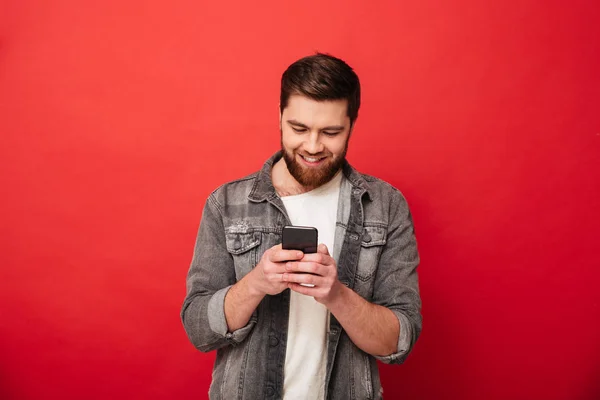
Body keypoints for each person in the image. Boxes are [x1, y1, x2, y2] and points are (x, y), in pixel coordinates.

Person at [181, 53, 422, 400]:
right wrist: (256, 284)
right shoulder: (226, 204)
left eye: (331, 132)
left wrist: (337, 295)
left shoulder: (386, 206)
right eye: (299, 129)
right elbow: (198, 330)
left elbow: (399, 342)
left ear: (352, 125)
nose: (312, 146)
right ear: (279, 116)